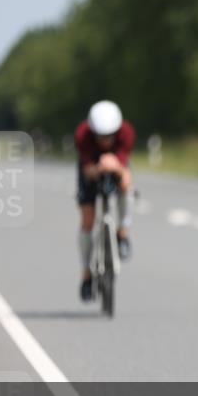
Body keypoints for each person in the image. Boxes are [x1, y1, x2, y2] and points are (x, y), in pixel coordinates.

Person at [75, 100, 136, 302]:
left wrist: (116, 169)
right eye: (101, 136)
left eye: (110, 136)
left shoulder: (126, 133)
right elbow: (86, 169)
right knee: (88, 220)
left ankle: (123, 233)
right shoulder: (83, 135)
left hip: (116, 164)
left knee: (127, 186)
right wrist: (97, 170)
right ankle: (86, 274)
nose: (106, 141)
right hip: (91, 166)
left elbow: (124, 173)